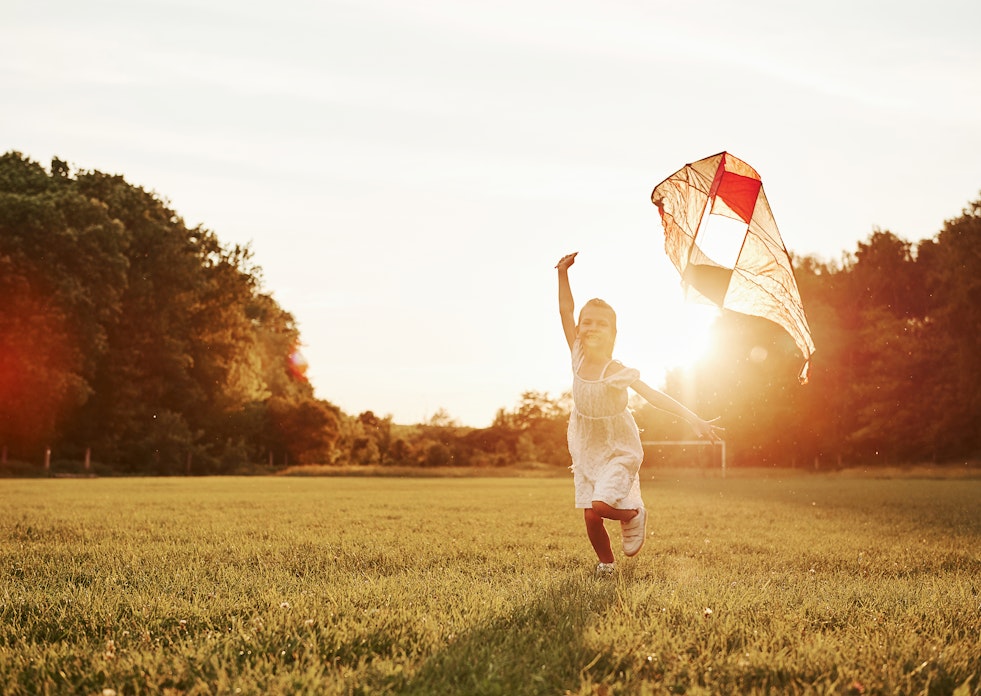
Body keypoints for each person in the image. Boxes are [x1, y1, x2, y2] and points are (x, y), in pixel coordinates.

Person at [556, 251, 722, 577]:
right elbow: (565, 309)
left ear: (613, 333)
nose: (592, 327)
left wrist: (694, 419)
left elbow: (654, 397)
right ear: (578, 328)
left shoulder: (616, 370)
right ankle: (606, 564)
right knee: (590, 515)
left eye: (601, 323)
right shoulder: (577, 356)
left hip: (618, 447)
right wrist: (562, 273)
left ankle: (632, 514)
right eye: (587, 322)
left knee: (601, 506)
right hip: (587, 446)